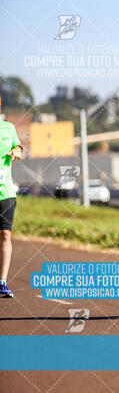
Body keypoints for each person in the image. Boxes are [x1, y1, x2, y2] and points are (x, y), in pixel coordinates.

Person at [0, 99, 24, 298]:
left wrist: (17, 151)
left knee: (6, 235)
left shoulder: (8, 128)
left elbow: (20, 148)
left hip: (5, 191)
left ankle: (2, 283)